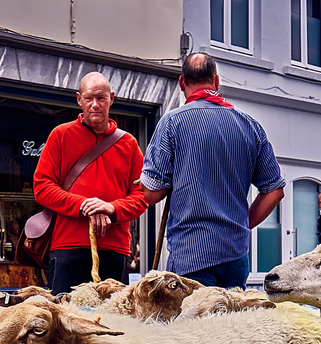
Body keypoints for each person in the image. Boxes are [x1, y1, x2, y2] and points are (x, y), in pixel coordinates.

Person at [140, 52, 285, 288]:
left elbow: (152, 195)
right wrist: (241, 223)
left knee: (194, 325)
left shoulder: (172, 123)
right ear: (216, 81)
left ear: (181, 83)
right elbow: (274, 191)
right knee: (230, 322)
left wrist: (146, 180)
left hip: (191, 255)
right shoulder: (249, 125)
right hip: (235, 256)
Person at [32, 72, 148, 295]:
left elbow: (142, 196)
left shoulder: (129, 144)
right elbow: (42, 187)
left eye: (101, 98)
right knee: (63, 321)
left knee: (110, 323)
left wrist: (111, 208)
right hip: (67, 246)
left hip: (114, 249)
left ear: (111, 99)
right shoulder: (60, 135)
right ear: (79, 99)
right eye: (89, 98)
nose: (95, 105)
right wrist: (85, 205)